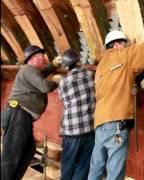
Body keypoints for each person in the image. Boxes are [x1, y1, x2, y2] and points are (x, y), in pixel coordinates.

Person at [87, 30, 144, 180]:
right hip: (116, 124)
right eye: (124, 44)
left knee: (96, 167)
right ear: (117, 44)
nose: (126, 47)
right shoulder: (123, 55)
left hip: (100, 122)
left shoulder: (101, 66)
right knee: (115, 172)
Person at [1, 45, 61, 180]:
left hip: (21, 116)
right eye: (42, 56)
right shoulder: (28, 70)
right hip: (18, 115)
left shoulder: (31, 72)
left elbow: (42, 74)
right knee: (12, 155)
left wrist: (54, 65)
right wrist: (56, 82)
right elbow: (44, 86)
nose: (44, 59)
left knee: (28, 151)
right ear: (33, 58)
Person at [56, 49, 96, 180]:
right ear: (79, 62)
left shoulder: (64, 81)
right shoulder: (91, 75)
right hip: (89, 129)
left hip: (71, 131)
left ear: (67, 66)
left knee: (68, 165)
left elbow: (61, 97)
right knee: (84, 166)